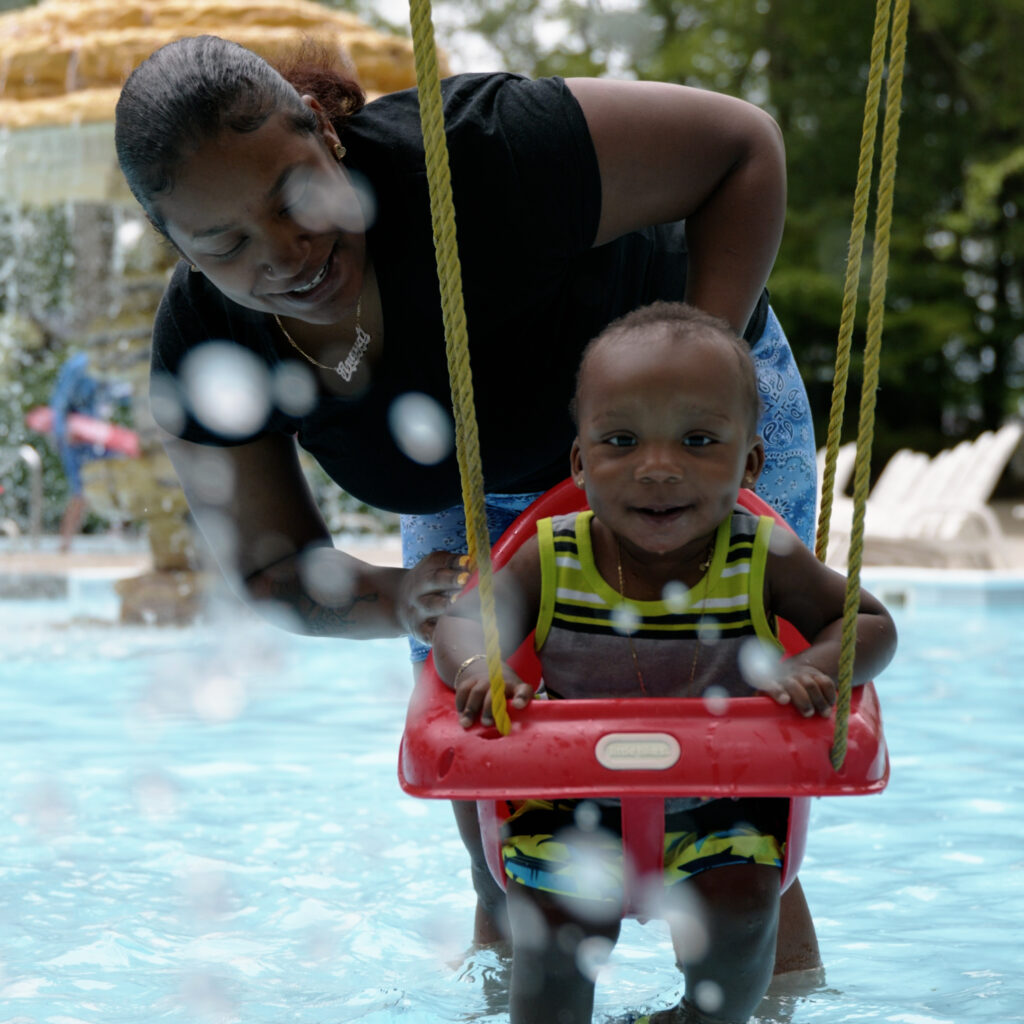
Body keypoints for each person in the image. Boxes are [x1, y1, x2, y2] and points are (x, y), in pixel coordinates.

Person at [113, 35, 821, 961]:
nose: (288, 252)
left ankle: (762, 994)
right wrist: (393, 597)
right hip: (472, 484)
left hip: (679, 440)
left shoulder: (478, 159)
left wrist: (689, 384)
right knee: (503, 821)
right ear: (181, 252)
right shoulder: (206, 344)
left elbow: (743, 147)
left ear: (325, 134)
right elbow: (272, 568)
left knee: (731, 813)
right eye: (226, 244)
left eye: (295, 196)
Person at [433, 302, 897, 1024]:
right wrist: (482, 664)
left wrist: (821, 663)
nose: (657, 468)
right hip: (570, 803)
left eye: (698, 440)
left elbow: (870, 622)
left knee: (742, 912)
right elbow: (461, 619)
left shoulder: (760, 556)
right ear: (581, 463)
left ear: (748, 465)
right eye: (622, 441)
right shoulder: (551, 556)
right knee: (556, 929)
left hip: (721, 800)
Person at [49, 353, 131, 552]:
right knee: (80, 491)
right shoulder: (79, 365)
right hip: (75, 437)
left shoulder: (110, 364)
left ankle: (116, 532)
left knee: (121, 477)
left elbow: (118, 394)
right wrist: (60, 433)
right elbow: (60, 400)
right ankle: (65, 544)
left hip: (97, 434)